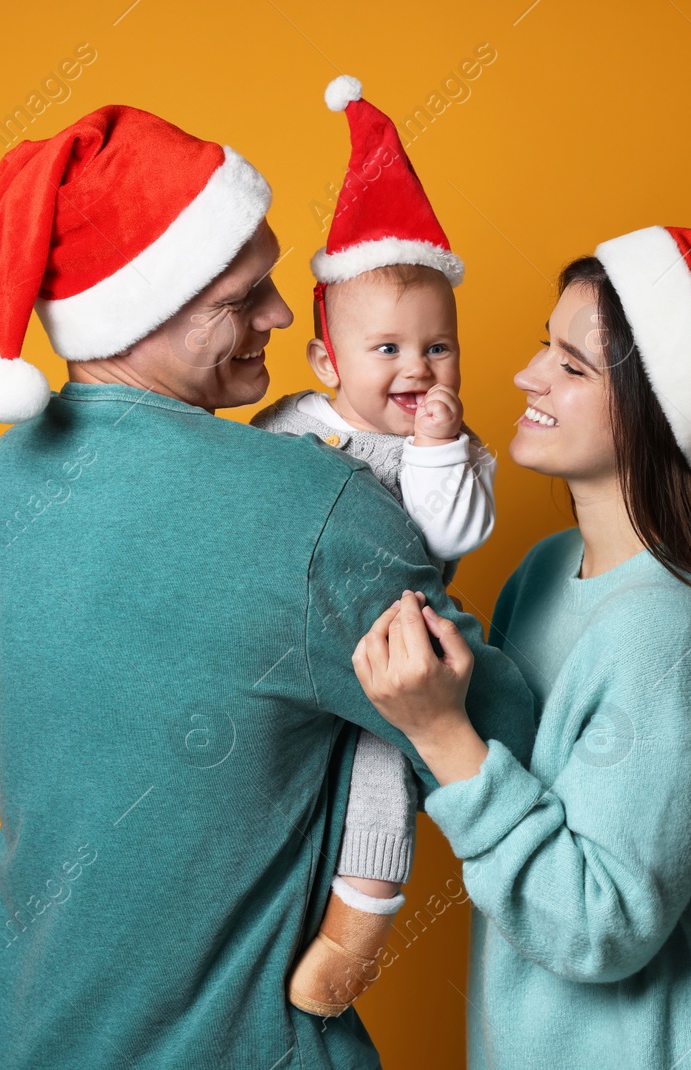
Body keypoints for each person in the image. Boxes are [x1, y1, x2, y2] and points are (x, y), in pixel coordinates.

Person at [0, 103, 535, 1070]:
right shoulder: (314, 510)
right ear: (144, 308)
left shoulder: (11, 474)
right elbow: (509, 730)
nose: (278, 313)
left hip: (34, 1033)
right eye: (245, 294)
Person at [351, 226, 691, 1068]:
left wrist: (444, 737)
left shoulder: (664, 631)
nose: (528, 376)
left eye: (573, 365)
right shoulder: (545, 573)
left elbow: (603, 924)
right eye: (541, 347)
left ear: (658, 409)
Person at [250, 75, 496, 1017]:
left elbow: (447, 536)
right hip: (296, 640)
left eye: (439, 349)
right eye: (386, 350)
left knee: (383, 768)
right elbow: (247, 503)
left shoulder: (451, 450)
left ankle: (359, 926)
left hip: (397, 652)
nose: (416, 370)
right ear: (327, 364)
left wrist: (436, 450)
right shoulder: (293, 421)